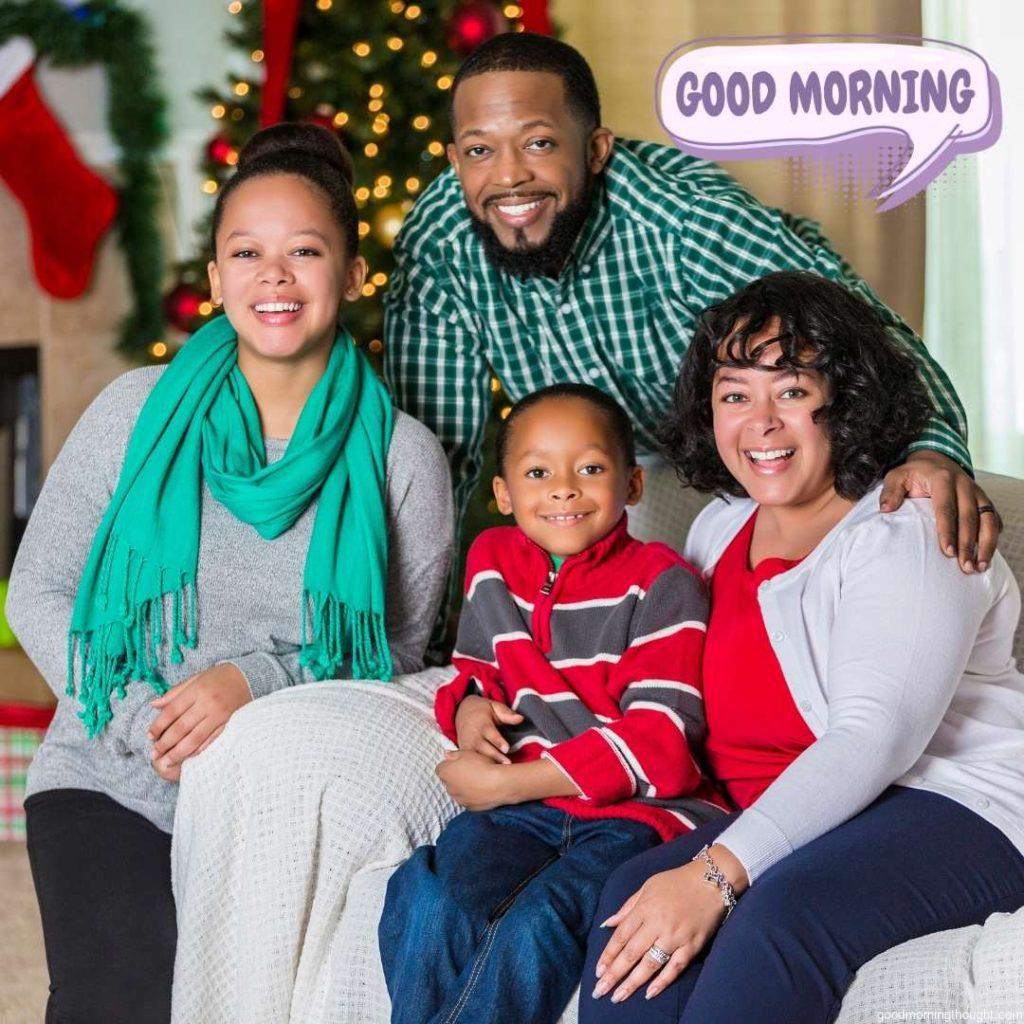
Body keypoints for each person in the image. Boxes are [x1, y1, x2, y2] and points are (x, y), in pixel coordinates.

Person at [6, 123, 452, 1024]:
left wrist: (253, 682)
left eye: (305, 251)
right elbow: (38, 591)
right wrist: (144, 724)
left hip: (280, 797)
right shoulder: (135, 412)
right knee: (121, 1001)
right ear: (215, 279)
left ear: (353, 274)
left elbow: (396, 654)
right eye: (247, 252)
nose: (274, 276)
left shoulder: (404, 457)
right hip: (110, 771)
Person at [384, 31, 1000, 593]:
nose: (510, 176)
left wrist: (930, 450)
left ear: (596, 149)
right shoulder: (440, 245)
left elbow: (863, 331)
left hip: (763, 440)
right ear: (455, 158)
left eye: (539, 143)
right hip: (627, 459)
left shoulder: (683, 224)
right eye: (479, 151)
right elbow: (436, 457)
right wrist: (418, 645)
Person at [578, 271, 1024, 1024]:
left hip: (961, 808)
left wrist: (716, 875)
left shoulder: (911, 530)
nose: (761, 422)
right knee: (632, 900)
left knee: (776, 926)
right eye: (735, 394)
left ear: (844, 400)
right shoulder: (717, 529)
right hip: (822, 812)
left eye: (790, 390)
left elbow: (872, 735)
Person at [378, 384, 728, 1024]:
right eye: (538, 472)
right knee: (425, 897)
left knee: (535, 923)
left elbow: (662, 742)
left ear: (632, 487)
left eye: (590, 469)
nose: (563, 489)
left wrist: (505, 786)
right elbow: (474, 671)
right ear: (504, 492)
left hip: (637, 816)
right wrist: (469, 711)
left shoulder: (665, 582)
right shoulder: (492, 561)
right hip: (523, 815)